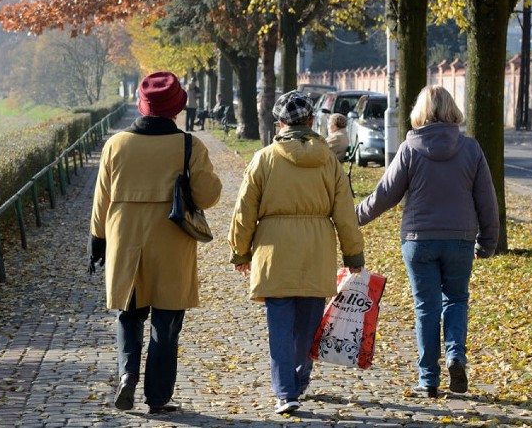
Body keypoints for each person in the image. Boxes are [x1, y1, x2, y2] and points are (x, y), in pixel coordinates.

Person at [89, 71, 222, 414]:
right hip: (171, 243)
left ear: (141, 104)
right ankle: (158, 397)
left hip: (125, 241)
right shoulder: (189, 145)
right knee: (166, 323)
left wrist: (97, 241)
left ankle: (127, 376)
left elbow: (101, 200)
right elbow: (208, 196)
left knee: (129, 315)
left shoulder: (116, 144)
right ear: (178, 106)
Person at [227, 90, 365, 415]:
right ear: (311, 121)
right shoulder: (329, 161)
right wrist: (353, 255)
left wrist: (240, 252)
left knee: (279, 325)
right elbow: (345, 211)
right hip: (316, 251)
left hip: (274, 253)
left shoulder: (264, 159)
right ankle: (300, 379)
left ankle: (285, 391)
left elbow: (244, 211)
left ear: (280, 125)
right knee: (308, 326)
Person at [355, 85, 498, 398]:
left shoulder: (410, 149)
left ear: (420, 111)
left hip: (419, 240)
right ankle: (455, 356)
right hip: (460, 239)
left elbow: (383, 196)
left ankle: (428, 380)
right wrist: (488, 241)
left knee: (426, 309)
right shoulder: (471, 149)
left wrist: (352, 219)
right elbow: (487, 201)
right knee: (457, 299)